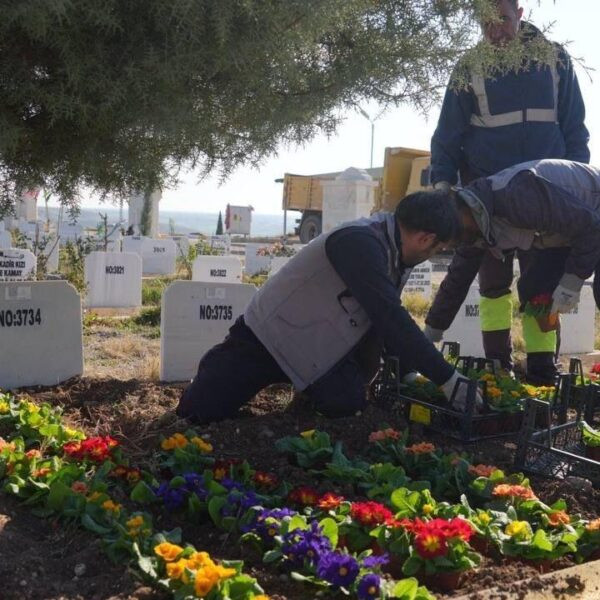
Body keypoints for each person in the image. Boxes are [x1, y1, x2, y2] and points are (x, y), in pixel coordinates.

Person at [177, 192, 482, 424]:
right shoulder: (360, 243)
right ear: (425, 237)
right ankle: (218, 368)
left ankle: (307, 395)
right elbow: (390, 317)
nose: (433, 256)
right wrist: (448, 379)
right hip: (270, 337)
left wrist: (406, 373)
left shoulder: (396, 253)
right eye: (437, 249)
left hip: (318, 349)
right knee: (199, 412)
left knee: (346, 404)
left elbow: (382, 324)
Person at [429, 0, 590, 383]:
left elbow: (575, 130)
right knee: (493, 288)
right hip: (490, 202)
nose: (495, 30)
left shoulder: (555, 60)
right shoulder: (470, 65)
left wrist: (574, 186)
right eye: (485, 22)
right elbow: (447, 134)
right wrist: (442, 189)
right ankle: (497, 368)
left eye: (502, 19)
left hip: (547, 203)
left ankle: (540, 369)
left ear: (519, 13)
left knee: (541, 289)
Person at [424, 159, 600, 364]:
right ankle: (541, 372)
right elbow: (457, 279)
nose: (459, 243)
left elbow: (591, 228)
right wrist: (431, 332)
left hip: (592, 212)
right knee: (534, 287)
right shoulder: (471, 224)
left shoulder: (517, 197)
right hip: (569, 228)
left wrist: (572, 281)